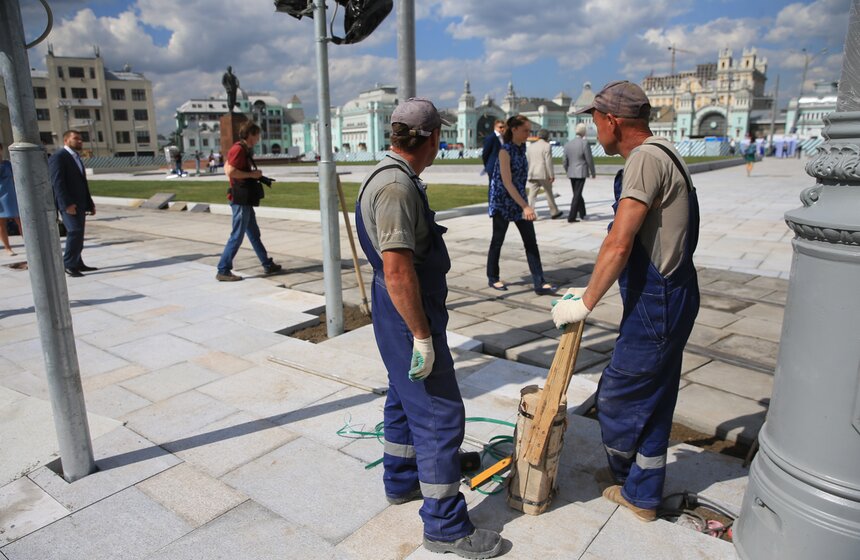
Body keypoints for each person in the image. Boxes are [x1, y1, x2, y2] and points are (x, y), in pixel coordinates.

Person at [355, 97, 502, 559]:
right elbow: (398, 272)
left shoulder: (389, 176)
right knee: (438, 413)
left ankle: (401, 479)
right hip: (406, 313)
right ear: (433, 138)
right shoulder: (396, 189)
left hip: (398, 309)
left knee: (404, 395)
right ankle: (445, 527)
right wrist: (421, 335)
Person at [551, 80, 700, 523]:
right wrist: (587, 287)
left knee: (617, 396)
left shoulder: (643, 162)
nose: (594, 129)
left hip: (659, 301)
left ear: (611, 121)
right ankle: (643, 491)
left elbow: (620, 241)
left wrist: (586, 302)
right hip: (673, 294)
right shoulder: (665, 151)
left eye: (594, 120)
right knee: (655, 396)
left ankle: (624, 475)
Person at [486, 115, 556, 295]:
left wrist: (523, 204)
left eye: (529, 130)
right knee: (497, 241)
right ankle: (493, 277)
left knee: (531, 242)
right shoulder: (504, 151)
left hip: (517, 200)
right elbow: (507, 182)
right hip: (502, 202)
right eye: (525, 130)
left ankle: (539, 282)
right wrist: (526, 206)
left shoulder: (521, 148)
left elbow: (519, 181)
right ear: (514, 129)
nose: (528, 134)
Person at [215, 121, 281, 281]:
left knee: (253, 234)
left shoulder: (242, 149)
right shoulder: (238, 149)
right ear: (250, 134)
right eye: (257, 135)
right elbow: (230, 171)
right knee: (237, 235)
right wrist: (252, 175)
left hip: (244, 199)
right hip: (240, 200)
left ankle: (267, 264)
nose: (258, 138)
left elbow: (228, 166)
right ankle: (223, 269)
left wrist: (255, 174)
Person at [49, 130, 97, 277]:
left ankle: (77, 262)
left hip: (80, 203)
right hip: (69, 204)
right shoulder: (59, 157)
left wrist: (90, 203)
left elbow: (82, 183)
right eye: (76, 139)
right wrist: (66, 204)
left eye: (81, 139)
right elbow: (57, 183)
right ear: (66, 140)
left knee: (79, 232)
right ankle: (68, 264)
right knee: (75, 231)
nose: (80, 141)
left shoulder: (76, 157)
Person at [563, 123, 596, 222]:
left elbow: (564, 160)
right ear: (584, 131)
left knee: (577, 193)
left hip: (571, 171)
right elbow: (589, 159)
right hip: (581, 171)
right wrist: (592, 172)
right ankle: (571, 216)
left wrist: (567, 170)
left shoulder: (568, 143)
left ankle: (582, 213)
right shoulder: (584, 143)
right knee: (577, 194)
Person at [526, 128, 563, 219]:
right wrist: (551, 175)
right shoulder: (547, 146)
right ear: (547, 136)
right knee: (549, 193)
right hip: (543, 173)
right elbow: (548, 162)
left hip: (532, 172)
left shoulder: (530, 146)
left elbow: (528, 160)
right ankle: (554, 212)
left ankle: (530, 213)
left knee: (532, 195)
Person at [0, 142, 23, 256]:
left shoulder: (7, 164)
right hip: (0, 196)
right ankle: (7, 247)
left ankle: (28, 242)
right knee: (1, 223)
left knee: (21, 221)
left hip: (11, 194)